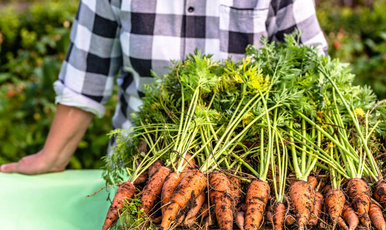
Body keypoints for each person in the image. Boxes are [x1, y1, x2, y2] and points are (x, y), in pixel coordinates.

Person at [0, 0, 328, 175]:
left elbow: (311, 75)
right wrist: (52, 157)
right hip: (138, 168)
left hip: (243, 173)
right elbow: (85, 77)